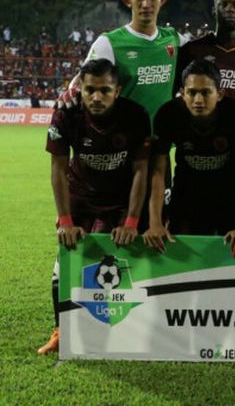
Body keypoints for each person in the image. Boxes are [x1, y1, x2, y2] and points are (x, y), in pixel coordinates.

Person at [39, 58, 151, 355]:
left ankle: (125, 329)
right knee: (65, 261)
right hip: (81, 197)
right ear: (81, 89)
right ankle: (62, 331)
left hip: (119, 198)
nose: (96, 97)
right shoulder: (66, 115)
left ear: (118, 90)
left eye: (104, 90)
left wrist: (131, 221)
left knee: (118, 260)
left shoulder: (136, 116)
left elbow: (142, 170)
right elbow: (58, 168)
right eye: (90, 90)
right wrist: (64, 218)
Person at [143, 59, 235, 253]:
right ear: (183, 93)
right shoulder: (169, 114)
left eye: (206, 92)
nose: (198, 100)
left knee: (228, 257)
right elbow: (158, 171)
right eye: (192, 93)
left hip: (227, 199)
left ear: (219, 94)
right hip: (186, 198)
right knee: (180, 257)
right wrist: (155, 223)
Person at [60, 0, 186, 124]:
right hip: (124, 141)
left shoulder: (174, 39)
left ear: (162, 0)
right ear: (127, 1)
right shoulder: (109, 43)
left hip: (163, 142)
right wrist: (72, 91)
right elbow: (83, 79)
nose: (146, 4)